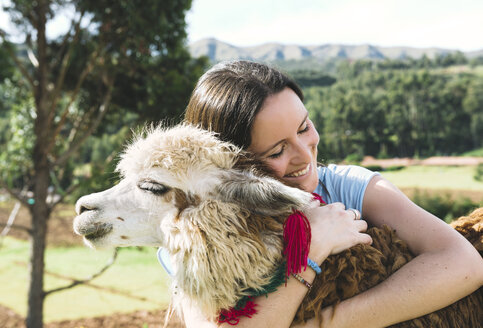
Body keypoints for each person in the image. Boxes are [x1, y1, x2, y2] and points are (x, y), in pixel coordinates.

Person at [170, 60, 483, 327]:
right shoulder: (196, 234)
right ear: (234, 166)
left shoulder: (351, 188)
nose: (305, 157)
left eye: (304, 128)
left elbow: (463, 264)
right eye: (278, 150)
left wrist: (328, 322)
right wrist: (312, 247)